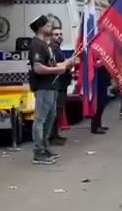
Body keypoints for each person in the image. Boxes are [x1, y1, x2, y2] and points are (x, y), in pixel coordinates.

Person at [29, 15, 73, 165]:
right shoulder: (36, 44)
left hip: (52, 86)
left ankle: (45, 146)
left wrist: (62, 65)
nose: (51, 27)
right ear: (40, 27)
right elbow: (38, 68)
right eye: (47, 25)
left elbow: (51, 64)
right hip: (43, 87)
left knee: (50, 117)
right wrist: (57, 70)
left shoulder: (46, 44)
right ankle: (38, 151)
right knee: (40, 119)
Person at [49, 28, 71, 145]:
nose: (59, 36)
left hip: (62, 84)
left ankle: (55, 134)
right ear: (51, 36)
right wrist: (66, 63)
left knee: (59, 109)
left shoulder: (58, 49)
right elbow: (54, 65)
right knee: (56, 110)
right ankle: (52, 137)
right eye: (56, 34)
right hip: (57, 84)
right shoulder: (52, 49)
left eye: (61, 34)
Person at [91, 63, 112, 134]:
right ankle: (95, 127)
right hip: (98, 78)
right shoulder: (94, 52)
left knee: (102, 102)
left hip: (104, 76)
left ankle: (98, 124)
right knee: (98, 103)